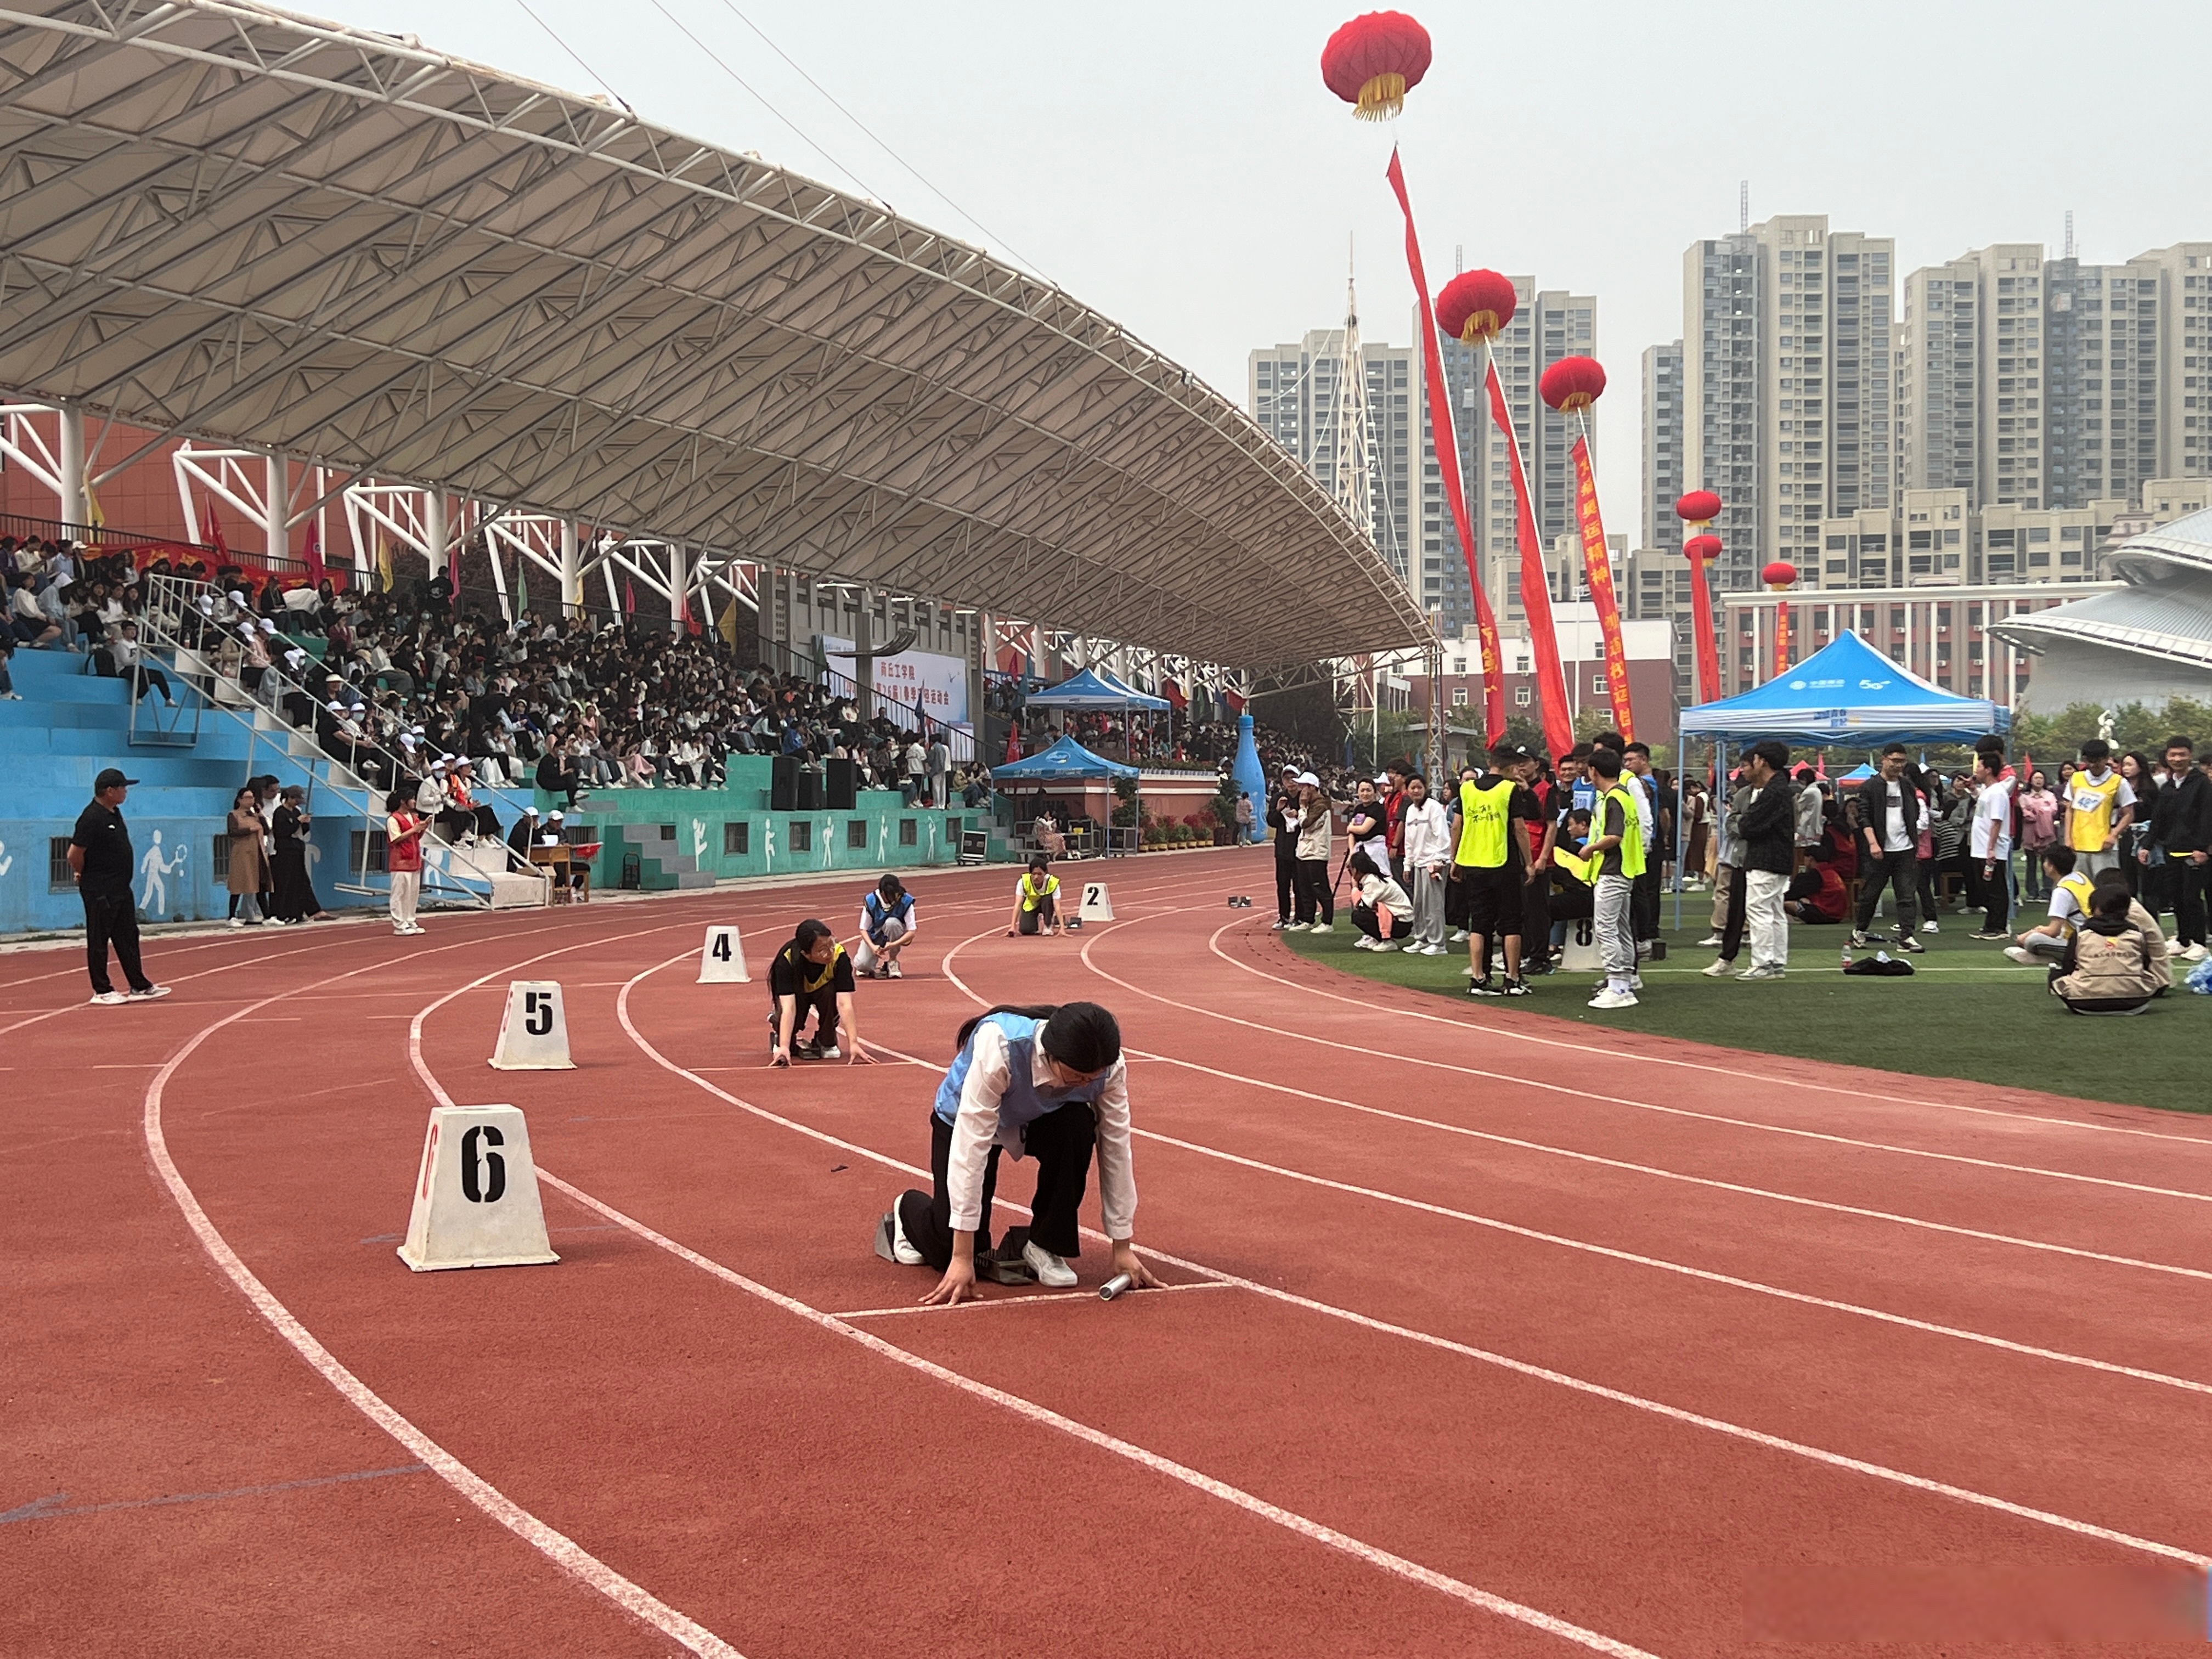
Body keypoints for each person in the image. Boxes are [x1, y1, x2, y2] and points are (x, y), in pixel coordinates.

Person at [877, 1001, 1156, 1303]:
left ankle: (1044, 1244)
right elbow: (971, 1148)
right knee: (955, 1251)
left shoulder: (1109, 1066)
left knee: (1078, 1123)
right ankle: (905, 1213)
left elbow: (1116, 1149)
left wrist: (1122, 1247)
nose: (1086, 1084)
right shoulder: (999, 1046)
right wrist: (961, 1256)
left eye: (1092, 1078)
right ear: (1050, 1055)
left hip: (1036, 1116)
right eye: (1077, 1077)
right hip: (963, 1120)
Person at [69, 768, 168, 1005]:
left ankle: (139, 985)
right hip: (100, 888)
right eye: (123, 787)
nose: (126, 791)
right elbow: (74, 853)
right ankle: (102, 990)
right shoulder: (91, 818)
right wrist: (83, 873)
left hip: (121, 888)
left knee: (128, 936)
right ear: (110, 791)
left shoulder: (115, 813)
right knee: (99, 937)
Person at [1448, 744, 1539, 997]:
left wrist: (1454, 858)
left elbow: (1457, 826)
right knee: (1511, 923)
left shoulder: (1466, 789)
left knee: (1479, 923)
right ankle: (1512, 978)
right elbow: (1520, 829)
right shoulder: (1508, 789)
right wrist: (1529, 862)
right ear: (1511, 767)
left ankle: (1478, 978)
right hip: (1504, 862)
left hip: (1474, 863)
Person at [1582, 748, 1645, 1009]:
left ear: (1594, 771)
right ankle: (1626, 980)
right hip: (1626, 868)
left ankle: (1618, 984)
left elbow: (1614, 836)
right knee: (1620, 927)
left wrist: (1590, 848)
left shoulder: (1612, 798)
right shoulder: (1624, 795)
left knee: (1606, 927)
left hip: (1613, 869)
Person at [2047, 882, 2171, 1015]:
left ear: (2097, 907)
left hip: (2084, 1004)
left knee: (2055, 974)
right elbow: (2145, 963)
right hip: (2135, 1002)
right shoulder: (2137, 933)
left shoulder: (2081, 933)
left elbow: (2068, 966)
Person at [2143, 735, 2211, 963]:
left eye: (2182, 754)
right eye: (2173, 755)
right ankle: (2183, 939)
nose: (2178, 759)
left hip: (2194, 852)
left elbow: (2206, 818)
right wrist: (2147, 846)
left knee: (2192, 898)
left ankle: (2200, 942)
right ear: (2167, 757)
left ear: (2190, 756)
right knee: (2177, 898)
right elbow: (2158, 819)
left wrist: (2203, 849)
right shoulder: (2169, 786)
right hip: (2171, 850)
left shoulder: (2201, 784)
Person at [1734, 741, 1796, 980]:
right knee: (1774, 910)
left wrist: (1744, 823)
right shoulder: (1781, 788)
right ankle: (1776, 962)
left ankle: (1762, 963)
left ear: (1763, 762)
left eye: (1756, 759)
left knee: (1759, 909)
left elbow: (1749, 825)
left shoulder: (1774, 791)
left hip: (1766, 857)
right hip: (1778, 857)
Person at [1851, 744, 1923, 950]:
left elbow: (1915, 812)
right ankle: (1860, 930)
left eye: (1902, 761)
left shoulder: (1907, 786)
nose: (1898, 765)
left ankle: (1906, 936)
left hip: (1905, 849)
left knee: (1907, 895)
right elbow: (1864, 817)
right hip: (1879, 850)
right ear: (1884, 759)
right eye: (1894, 760)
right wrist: (1873, 843)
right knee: (1871, 894)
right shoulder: (1869, 787)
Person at [768, 918, 868, 1064]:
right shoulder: (786, 961)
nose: (829, 953)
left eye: (831, 944)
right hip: (797, 995)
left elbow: (844, 1004)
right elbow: (789, 1007)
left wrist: (854, 1043)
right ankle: (778, 1025)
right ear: (806, 954)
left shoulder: (839, 957)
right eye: (822, 950)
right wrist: (784, 1046)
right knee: (788, 1022)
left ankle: (825, 1039)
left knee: (829, 991)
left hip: (823, 993)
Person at [2006, 845, 2095, 966]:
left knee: (2033, 941)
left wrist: (2026, 935)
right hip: (2094, 937)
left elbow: (2053, 931)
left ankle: (2051, 958)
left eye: (2046, 862)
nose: (2044, 865)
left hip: (2081, 942)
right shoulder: (2080, 877)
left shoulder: (2062, 892)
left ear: (2052, 867)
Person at [1397, 772, 1451, 956]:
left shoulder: (1434, 808)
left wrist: (1439, 861)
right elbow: (1409, 841)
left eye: (1419, 787)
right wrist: (1407, 864)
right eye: (1412, 788)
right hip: (1418, 863)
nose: (1416, 791)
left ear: (1425, 788)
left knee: (1433, 904)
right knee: (1419, 904)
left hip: (1433, 863)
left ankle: (1438, 943)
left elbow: (1443, 837)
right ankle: (1421, 938)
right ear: (1407, 791)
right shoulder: (1410, 811)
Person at [2064, 738, 2134, 879]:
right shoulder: (2076, 779)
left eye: (2097, 760)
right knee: (2079, 888)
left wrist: (2113, 835)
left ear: (2106, 759)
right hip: (2078, 845)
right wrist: (2067, 838)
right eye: (2089, 760)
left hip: (2104, 847)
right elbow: (2070, 810)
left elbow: (2129, 814)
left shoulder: (2118, 782)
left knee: (2106, 889)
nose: (2093, 764)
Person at [1966, 746, 2016, 941]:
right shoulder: (1988, 791)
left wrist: (1991, 848)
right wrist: (1973, 790)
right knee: (1986, 888)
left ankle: (1999, 927)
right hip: (1980, 849)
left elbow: (1997, 822)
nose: (1975, 770)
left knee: (1996, 889)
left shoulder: (1998, 792)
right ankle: (1990, 925)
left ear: (1988, 770)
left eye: (1979, 766)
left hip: (1991, 850)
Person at [268, 786, 331, 923]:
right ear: (289, 798)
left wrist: (306, 823)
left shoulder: (296, 811)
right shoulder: (280, 813)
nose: (297, 804)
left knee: (299, 883)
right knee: (284, 883)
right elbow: (282, 832)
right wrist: (298, 822)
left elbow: (302, 831)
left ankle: (296, 913)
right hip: (285, 852)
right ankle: (280, 913)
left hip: (297, 850)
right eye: (295, 800)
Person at [1288, 772, 1335, 933]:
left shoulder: (1321, 806)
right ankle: (1308, 919)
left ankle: (1327, 922)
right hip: (1304, 852)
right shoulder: (1311, 806)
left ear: (1313, 787)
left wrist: (1301, 809)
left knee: (1320, 888)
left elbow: (1306, 824)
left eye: (1304, 786)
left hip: (1316, 853)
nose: (1301, 790)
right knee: (1305, 889)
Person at [1347, 848, 1413, 952]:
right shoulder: (1373, 878)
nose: (1350, 871)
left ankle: (1387, 941)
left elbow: (1362, 906)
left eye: (1351, 868)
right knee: (1370, 911)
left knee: (1358, 916)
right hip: (1401, 920)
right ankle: (1378, 938)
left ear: (1357, 869)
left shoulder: (1372, 881)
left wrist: (1355, 888)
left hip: (1402, 924)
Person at [856, 873, 919, 979]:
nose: (890, 898)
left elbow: (912, 932)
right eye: (888, 895)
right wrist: (873, 947)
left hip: (894, 933)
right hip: (875, 935)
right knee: (862, 965)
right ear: (882, 892)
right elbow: (864, 929)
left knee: (892, 923)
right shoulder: (871, 900)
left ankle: (892, 962)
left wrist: (893, 944)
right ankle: (869, 966)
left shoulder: (905, 901)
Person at [224, 785, 268, 927]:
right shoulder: (234, 815)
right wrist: (250, 830)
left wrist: (261, 815)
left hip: (257, 853)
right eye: (247, 798)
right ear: (240, 800)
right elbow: (232, 832)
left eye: (252, 798)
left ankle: (264, 915)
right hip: (242, 853)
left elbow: (266, 830)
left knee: (257, 884)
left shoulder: (254, 816)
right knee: (238, 884)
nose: (251, 800)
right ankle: (231, 916)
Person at [385, 786, 426, 935]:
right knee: (400, 894)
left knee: (412, 894)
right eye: (412, 798)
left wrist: (423, 828)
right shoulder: (393, 819)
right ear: (403, 801)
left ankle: (410, 920)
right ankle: (399, 924)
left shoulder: (413, 817)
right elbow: (395, 839)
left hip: (414, 861)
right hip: (400, 861)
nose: (414, 801)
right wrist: (416, 829)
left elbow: (416, 837)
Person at [1267, 764, 1301, 930]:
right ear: (1283, 781)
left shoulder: (1304, 797)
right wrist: (1279, 810)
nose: (1291, 782)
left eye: (1294, 778)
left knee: (1300, 884)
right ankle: (1284, 917)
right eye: (1288, 779)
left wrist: (1299, 813)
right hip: (1283, 848)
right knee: (1283, 884)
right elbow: (1271, 822)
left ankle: (1301, 917)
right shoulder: (1278, 798)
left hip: (1301, 847)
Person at [2017, 769, 2058, 901]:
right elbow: (2023, 812)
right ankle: (2032, 892)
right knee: (2031, 863)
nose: (2039, 780)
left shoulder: (2050, 796)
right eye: (2036, 778)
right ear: (2031, 780)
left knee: (2047, 863)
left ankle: (2046, 891)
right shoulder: (2024, 797)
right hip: (2029, 834)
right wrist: (2037, 811)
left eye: (2041, 778)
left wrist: (2036, 811)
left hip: (2047, 835)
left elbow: (2053, 810)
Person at [1008, 854, 1062, 936]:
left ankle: (1048, 924)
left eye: (1040, 874)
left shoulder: (1053, 883)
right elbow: (1018, 904)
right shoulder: (1023, 882)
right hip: (1031, 905)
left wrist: (1062, 928)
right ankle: (1034, 921)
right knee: (1026, 930)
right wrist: (1013, 927)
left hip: (1047, 904)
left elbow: (1057, 906)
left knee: (1047, 898)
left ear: (1046, 873)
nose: (1036, 877)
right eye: (1034, 874)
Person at [1345, 778, 1389, 871]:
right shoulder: (1358, 809)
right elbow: (1352, 833)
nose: (1365, 794)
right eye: (1362, 791)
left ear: (1375, 792)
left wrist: (1350, 828)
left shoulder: (1378, 809)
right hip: (1360, 850)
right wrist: (1352, 852)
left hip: (1375, 849)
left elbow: (1363, 829)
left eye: (1368, 790)